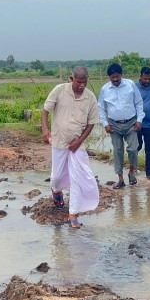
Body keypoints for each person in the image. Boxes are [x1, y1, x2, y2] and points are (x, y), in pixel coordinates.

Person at [42, 66, 100, 229]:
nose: (82, 85)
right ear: (71, 79)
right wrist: (45, 130)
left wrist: (79, 140)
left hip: (77, 145)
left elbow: (91, 123)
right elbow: (46, 110)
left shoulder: (90, 98)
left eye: (85, 82)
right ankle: (56, 191)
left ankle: (73, 214)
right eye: (79, 82)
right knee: (57, 176)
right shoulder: (59, 90)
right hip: (59, 141)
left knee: (79, 177)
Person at [98, 63, 145, 189]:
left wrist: (139, 120)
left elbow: (139, 103)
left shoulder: (130, 85)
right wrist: (105, 124)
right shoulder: (105, 89)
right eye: (112, 77)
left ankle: (131, 172)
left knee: (133, 149)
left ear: (121, 75)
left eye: (117, 77)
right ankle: (120, 179)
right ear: (109, 77)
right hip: (114, 124)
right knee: (118, 151)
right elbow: (101, 108)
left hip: (131, 123)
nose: (115, 79)